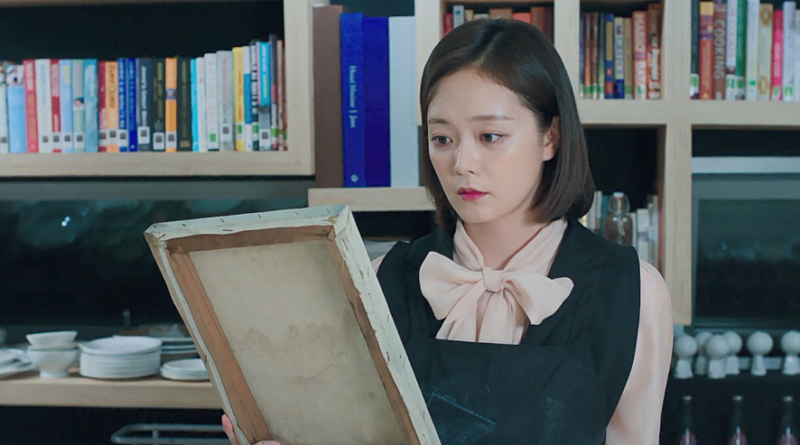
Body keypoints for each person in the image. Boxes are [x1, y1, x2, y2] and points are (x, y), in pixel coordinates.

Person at [223, 17, 673, 445]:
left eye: (490, 136)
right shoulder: (377, 282)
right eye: (443, 139)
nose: (462, 163)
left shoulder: (632, 293)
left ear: (550, 137)